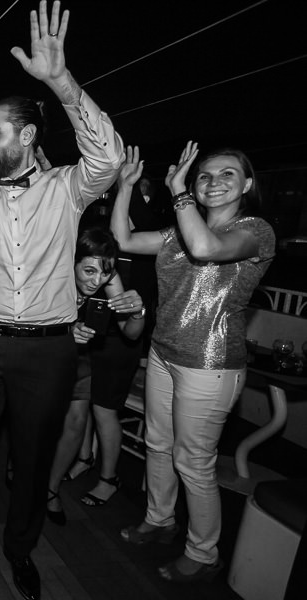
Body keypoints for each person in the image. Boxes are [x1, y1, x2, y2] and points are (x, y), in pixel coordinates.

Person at [0, 3, 125, 599]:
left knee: (33, 458)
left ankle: (19, 550)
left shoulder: (68, 187)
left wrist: (60, 82)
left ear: (28, 135)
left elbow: (111, 160)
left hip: (48, 351)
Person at [111, 143, 275, 582]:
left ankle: (203, 552)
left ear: (247, 184)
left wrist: (179, 191)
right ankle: (159, 519)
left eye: (227, 175)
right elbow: (124, 239)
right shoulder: (176, 233)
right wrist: (124, 186)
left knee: (193, 460)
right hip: (164, 354)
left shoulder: (255, 231)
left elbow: (205, 249)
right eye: (205, 175)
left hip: (211, 362)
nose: (214, 182)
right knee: (158, 444)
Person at [44, 226, 145, 525]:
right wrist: (63, 330)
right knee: (33, 420)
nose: (97, 280)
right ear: (70, 261)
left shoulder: (106, 272)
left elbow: (130, 332)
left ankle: (51, 489)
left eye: (104, 274)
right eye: (88, 271)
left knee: (75, 421)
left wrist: (138, 313)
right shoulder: (51, 271)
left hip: (79, 357)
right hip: (40, 352)